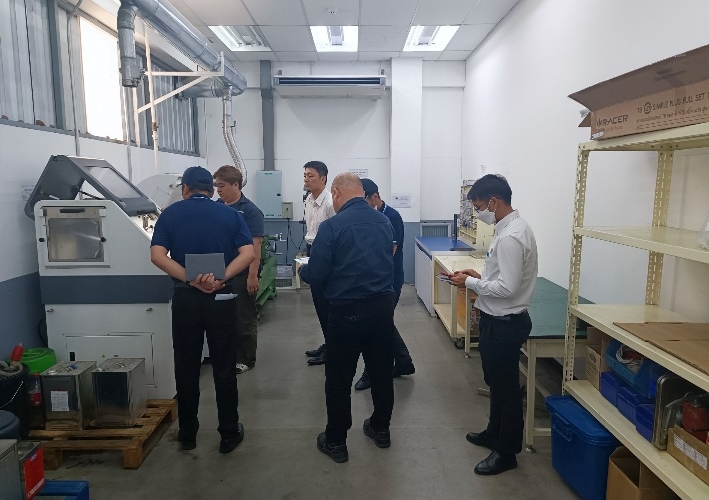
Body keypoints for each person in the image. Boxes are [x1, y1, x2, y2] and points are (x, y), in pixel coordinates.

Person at [150, 166, 255, 454]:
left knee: (186, 365)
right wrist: (220, 278)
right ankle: (228, 433)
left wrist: (189, 279)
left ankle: (188, 433)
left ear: (184, 188)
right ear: (211, 189)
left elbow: (157, 255)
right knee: (224, 365)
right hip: (221, 298)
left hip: (186, 299)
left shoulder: (170, 215)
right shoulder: (231, 215)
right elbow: (248, 253)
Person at [298, 173, 396, 463]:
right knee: (381, 373)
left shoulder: (331, 226)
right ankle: (381, 429)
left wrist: (303, 270)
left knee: (339, 378)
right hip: (382, 309)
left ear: (337, 193)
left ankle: (336, 441)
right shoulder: (384, 221)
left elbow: (318, 273)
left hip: (346, 311)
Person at [447, 174, 538, 476]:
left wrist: (470, 283)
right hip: (496, 319)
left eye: (478, 207)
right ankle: (493, 433)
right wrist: (479, 277)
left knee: (506, 390)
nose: (478, 214)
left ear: (494, 202)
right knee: (497, 384)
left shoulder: (511, 236)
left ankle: (507, 452)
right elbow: (502, 278)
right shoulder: (509, 229)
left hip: (505, 323)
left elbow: (508, 289)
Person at [354, 178, 415, 391]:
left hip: (389, 282)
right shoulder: (370, 216)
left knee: (376, 326)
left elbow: (389, 252)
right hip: (374, 281)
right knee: (383, 323)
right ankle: (404, 362)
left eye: (364, 201)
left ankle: (371, 372)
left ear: (375, 197)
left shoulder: (391, 217)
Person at [214, 165, 265, 375]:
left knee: (243, 316)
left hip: (243, 272)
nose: (218, 190)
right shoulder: (217, 207)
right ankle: (227, 355)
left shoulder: (250, 211)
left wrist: (252, 275)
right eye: (216, 186)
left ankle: (245, 358)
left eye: (222, 186)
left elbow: (256, 246)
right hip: (220, 270)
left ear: (235, 185)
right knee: (222, 317)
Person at [302, 161, 336, 366]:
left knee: (326, 304)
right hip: (312, 251)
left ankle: (333, 349)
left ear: (323, 179)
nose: (306, 179)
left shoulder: (330, 203)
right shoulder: (308, 199)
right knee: (318, 301)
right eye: (305, 175)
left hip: (325, 254)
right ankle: (328, 343)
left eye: (311, 175)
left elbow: (334, 236)